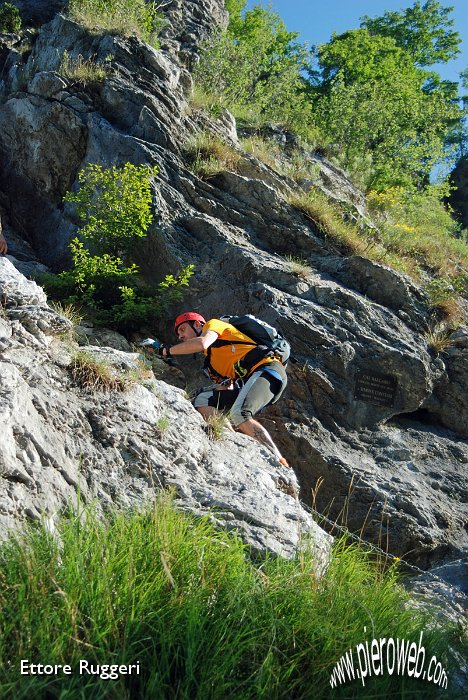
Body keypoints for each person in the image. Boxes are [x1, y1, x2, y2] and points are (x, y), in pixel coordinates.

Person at [143, 312, 290, 467]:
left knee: (240, 413)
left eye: (183, 329)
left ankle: (278, 461)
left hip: (268, 370)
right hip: (252, 382)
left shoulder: (214, 325)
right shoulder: (212, 366)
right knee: (203, 400)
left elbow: (202, 343)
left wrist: (165, 350)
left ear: (197, 324)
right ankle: (230, 442)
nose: (180, 336)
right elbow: (224, 389)